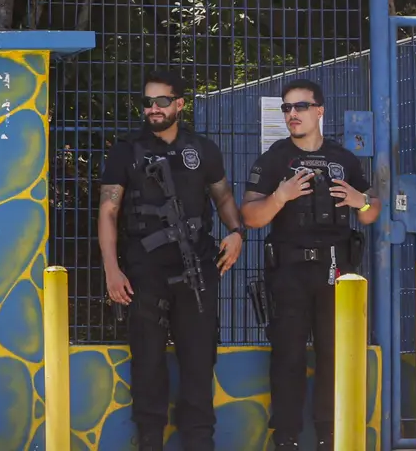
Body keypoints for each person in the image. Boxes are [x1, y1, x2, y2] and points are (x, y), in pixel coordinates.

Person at [97, 71, 244, 451]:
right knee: (147, 363)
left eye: (162, 101)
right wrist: (112, 270)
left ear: (180, 103)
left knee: (198, 362)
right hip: (144, 272)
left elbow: (223, 196)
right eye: (148, 102)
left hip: (197, 268)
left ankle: (199, 441)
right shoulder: (126, 150)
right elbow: (108, 211)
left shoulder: (202, 149)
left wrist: (237, 231)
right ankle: (150, 440)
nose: (153, 108)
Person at [241, 79, 379, 451]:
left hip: (335, 271)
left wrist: (360, 201)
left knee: (335, 355)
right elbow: (250, 216)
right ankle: (285, 437)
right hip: (288, 273)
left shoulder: (344, 158)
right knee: (287, 355)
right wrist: (280, 197)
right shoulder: (274, 157)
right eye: (286, 108)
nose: (292, 115)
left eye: (300, 107)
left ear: (319, 110)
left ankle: (329, 436)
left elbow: (371, 212)